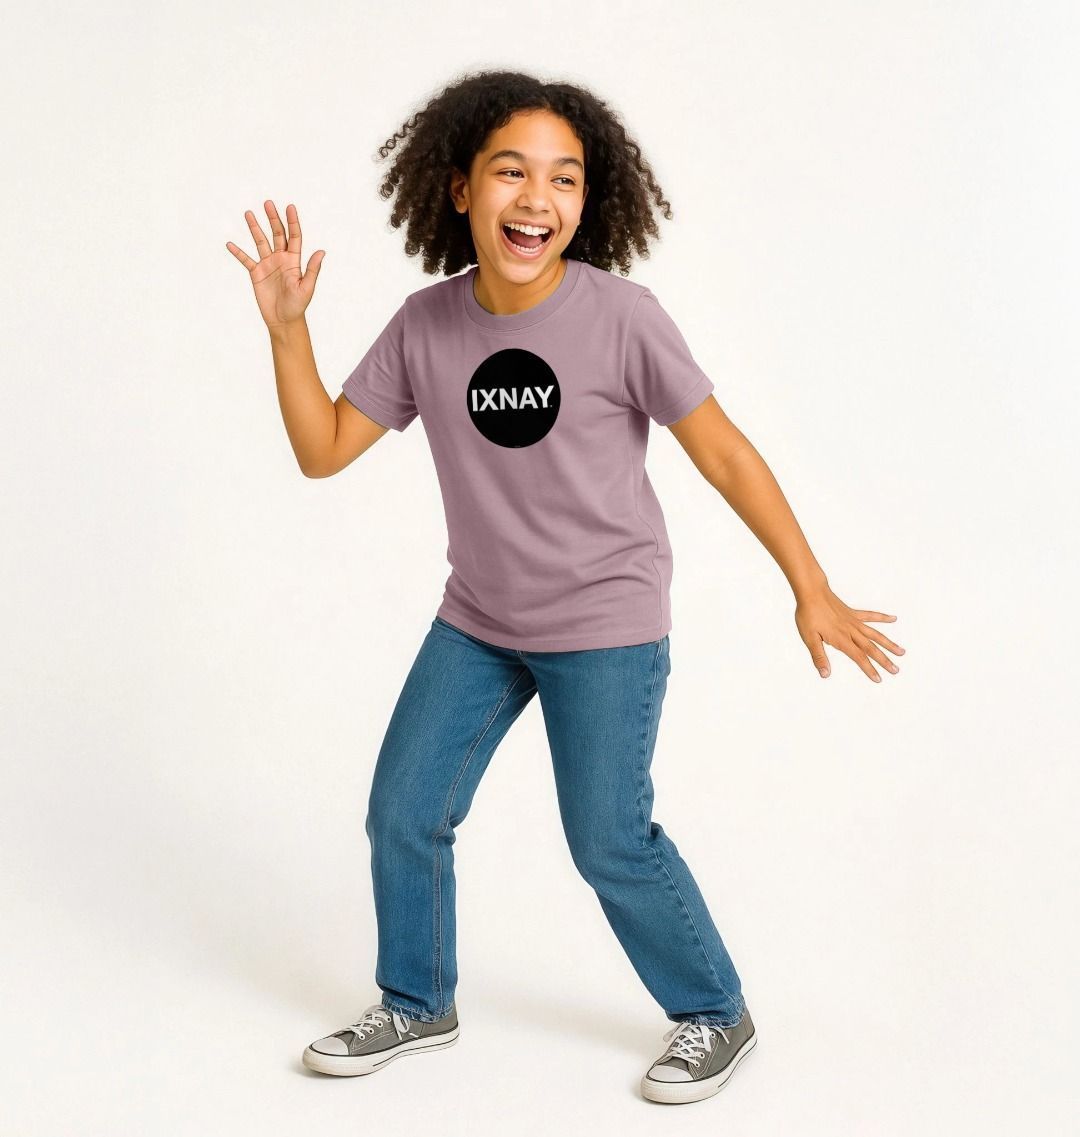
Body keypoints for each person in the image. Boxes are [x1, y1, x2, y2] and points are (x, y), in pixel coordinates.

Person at [226, 69, 905, 1106]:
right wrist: (287, 332)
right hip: (481, 622)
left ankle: (714, 1012)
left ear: (589, 203)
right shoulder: (424, 326)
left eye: (565, 179)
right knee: (403, 809)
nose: (537, 199)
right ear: (459, 190)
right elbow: (323, 450)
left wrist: (808, 587)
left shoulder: (623, 318)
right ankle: (416, 1000)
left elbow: (723, 454)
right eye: (512, 173)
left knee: (608, 841)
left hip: (606, 623)